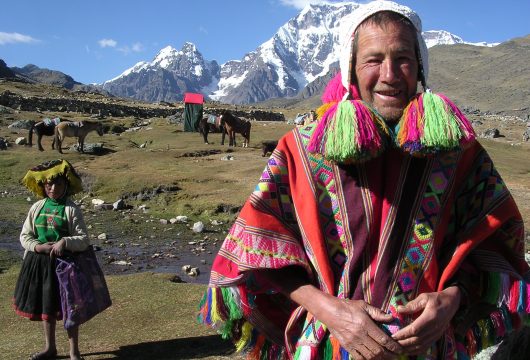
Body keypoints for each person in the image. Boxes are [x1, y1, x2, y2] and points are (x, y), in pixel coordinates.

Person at [198, 1, 529, 359]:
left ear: (420, 68)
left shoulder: (457, 154)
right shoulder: (302, 151)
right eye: (373, 60)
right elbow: (257, 251)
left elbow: (494, 244)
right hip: (330, 346)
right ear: (350, 70)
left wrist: (452, 299)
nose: (389, 74)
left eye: (403, 58)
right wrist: (329, 310)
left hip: (430, 348)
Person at [13, 159, 89, 360]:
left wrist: (64, 242)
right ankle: (50, 348)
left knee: (70, 308)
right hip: (39, 266)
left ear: (66, 185)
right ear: (43, 186)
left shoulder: (71, 210)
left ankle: (74, 351)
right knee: (47, 307)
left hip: (65, 267)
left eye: (58, 184)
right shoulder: (37, 207)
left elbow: (83, 240)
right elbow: (25, 236)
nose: (53, 188)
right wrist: (37, 246)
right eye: (48, 184)